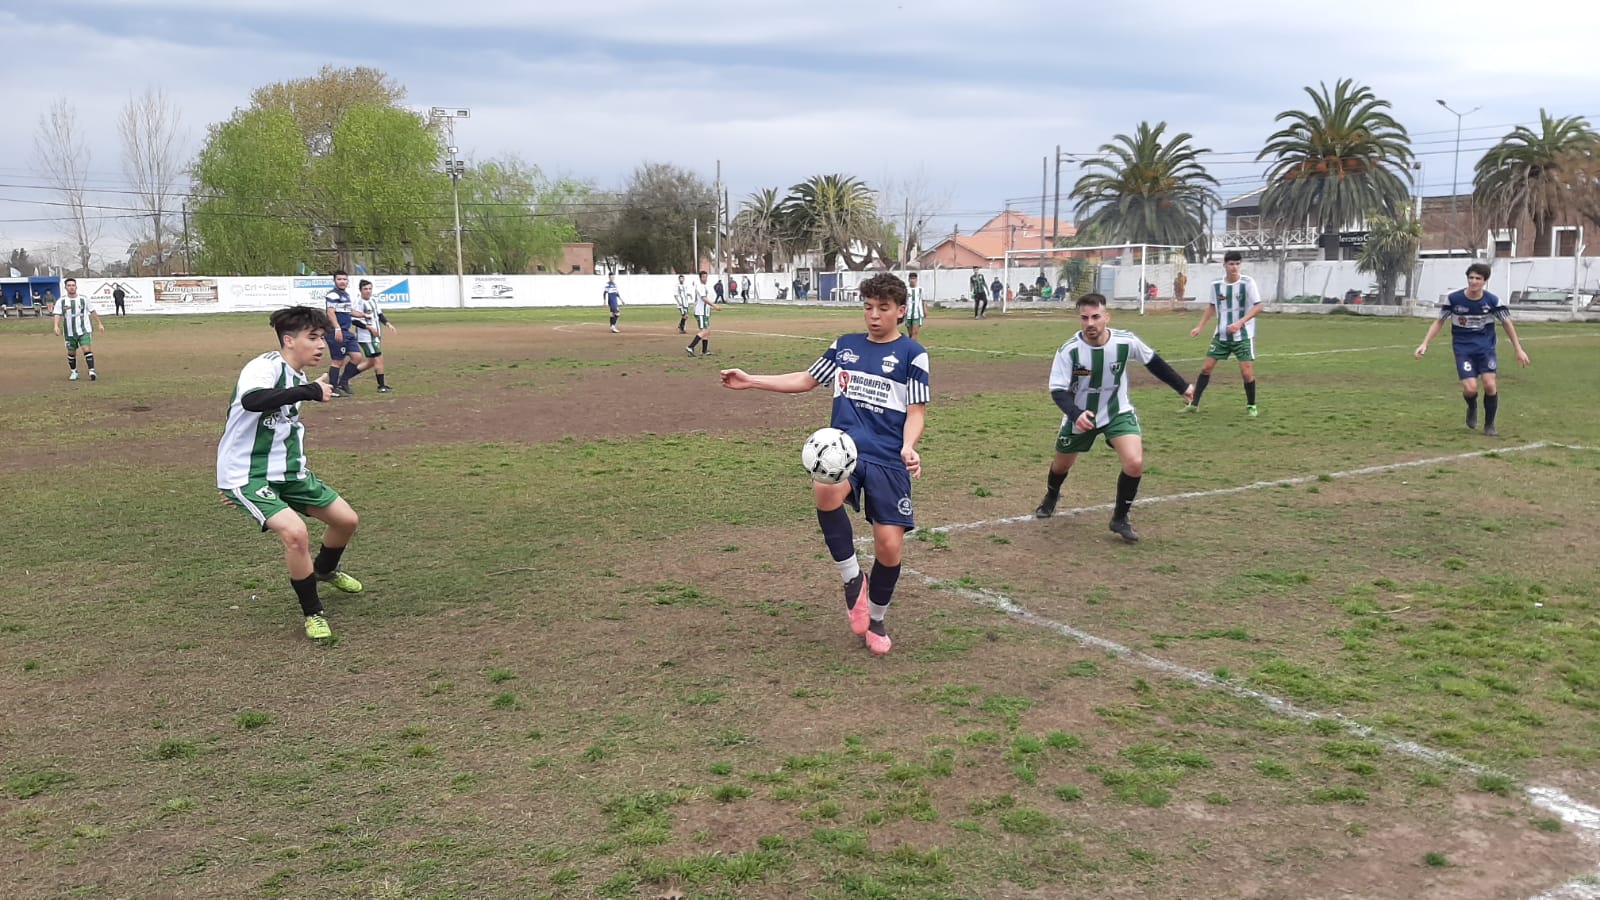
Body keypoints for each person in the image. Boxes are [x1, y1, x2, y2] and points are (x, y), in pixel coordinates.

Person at [719, 273, 927, 655]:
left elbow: (916, 411)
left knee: (888, 548)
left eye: (883, 308)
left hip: (888, 457)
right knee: (825, 487)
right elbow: (806, 379)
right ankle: (852, 579)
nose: (874, 316)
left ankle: (876, 617)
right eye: (868, 307)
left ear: (901, 311)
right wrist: (752, 381)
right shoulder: (845, 346)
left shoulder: (913, 354)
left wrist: (909, 447)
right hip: (846, 449)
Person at [216, 306, 362, 641]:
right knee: (296, 534)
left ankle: (325, 570)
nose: (321, 345)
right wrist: (309, 391)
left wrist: (307, 387)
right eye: (313, 337)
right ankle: (313, 613)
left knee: (346, 521)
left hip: (289, 472)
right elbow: (254, 400)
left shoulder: (297, 376)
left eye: (322, 337)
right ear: (288, 340)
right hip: (247, 474)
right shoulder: (264, 366)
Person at [1034, 293, 1194, 543]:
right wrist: (1076, 414)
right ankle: (1052, 495)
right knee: (1061, 465)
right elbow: (1057, 390)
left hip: (1117, 412)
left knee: (1134, 462)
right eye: (1084, 318)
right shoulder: (1069, 351)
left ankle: (1120, 518)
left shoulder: (1125, 341)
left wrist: (1182, 387)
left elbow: (1153, 361)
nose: (1090, 323)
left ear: (1107, 317)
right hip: (1080, 416)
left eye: (1095, 317)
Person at [1414, 262, 1531, 437]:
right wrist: (1425, 343)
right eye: (1471, 277)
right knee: (1470, 389)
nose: (1474, 281)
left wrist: (1518, 349)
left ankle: (1489, 425)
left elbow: (1507, 323)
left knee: (1490, 384)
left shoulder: (1492, 301)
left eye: (1478, 278)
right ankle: (1472, 406)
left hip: (1486, 348)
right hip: (1463, 349)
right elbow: (1439, 321)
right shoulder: (1454, 299)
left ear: (1485, 281)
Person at [1186, 251, 1263, 416]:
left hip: (1243, 336)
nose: (1235, 267)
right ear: (1225, 265)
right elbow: (1212, 307)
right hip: (1221, 335)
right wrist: (1199, 327)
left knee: (1246, 373)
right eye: (1231, 264)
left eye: (1237, 264)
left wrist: (1240, 323)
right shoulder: (1216, 285)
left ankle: (1251, 405)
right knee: (1206, 368)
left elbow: (1258, 306)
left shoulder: (1248, 283)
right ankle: (1194, 404)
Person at [52, 277, 106, 381]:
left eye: (73, 285)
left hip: (84, 329)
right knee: (71, 352)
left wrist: (99, 324)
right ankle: (74, 372)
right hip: (69, 331)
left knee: (86, 349)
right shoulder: (61, 301)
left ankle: (91, 371)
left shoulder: (83, 299)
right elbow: (57, 314)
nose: (71, 287)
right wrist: (56, 326)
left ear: (76, 287)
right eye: (69, 285)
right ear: (65, 287)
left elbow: (92, 311)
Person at [322, 270, 366, 397]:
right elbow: (330, 312)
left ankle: (343, 382)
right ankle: (333, 388)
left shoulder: (345, 295)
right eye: (339, 279)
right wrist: (337, 328)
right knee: (337, 361)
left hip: (346, 331)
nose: (342, 281)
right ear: (334, 281)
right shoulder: (333, 295)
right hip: (335, 332)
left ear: (348, 281)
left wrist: (362, 315)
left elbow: (349, 311)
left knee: (357, 357)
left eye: (344, 279)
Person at [352, 279, 398, 392]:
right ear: (360, 290)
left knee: (371, 362)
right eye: (365, 289)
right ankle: (381, 386)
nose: (368, 291)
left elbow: (379, 314)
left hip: (375, 336)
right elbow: (354, 320)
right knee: (378, 358)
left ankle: (344, 378)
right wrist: (369, 328)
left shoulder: (373, 300)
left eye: (370, 288)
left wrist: (388, 324)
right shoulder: (358, 302)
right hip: (366, 337)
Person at [686, 270, 720, 356]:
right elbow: (704, 298)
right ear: (700, 278)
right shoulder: (700, 286)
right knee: (705, 330)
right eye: (703, 277)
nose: (705, 278)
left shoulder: (704, 286)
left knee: (706, 331)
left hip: (704, 312)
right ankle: (691, 346)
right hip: (701, 312)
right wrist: (714, 305)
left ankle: (704, 351)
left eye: (706, 276)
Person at [904, 271, 926, 341]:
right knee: (910, 334)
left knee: (915, 333)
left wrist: (925, 310)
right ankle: (910, 346)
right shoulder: (906, 290)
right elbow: (903, 301)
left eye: (914, 278)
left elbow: (923, 301)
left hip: (917, 314)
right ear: (908, 279)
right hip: (908, 314)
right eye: (911, 278)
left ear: (916, 280)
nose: (912, 280)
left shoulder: (920, 289)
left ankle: (912, 347)